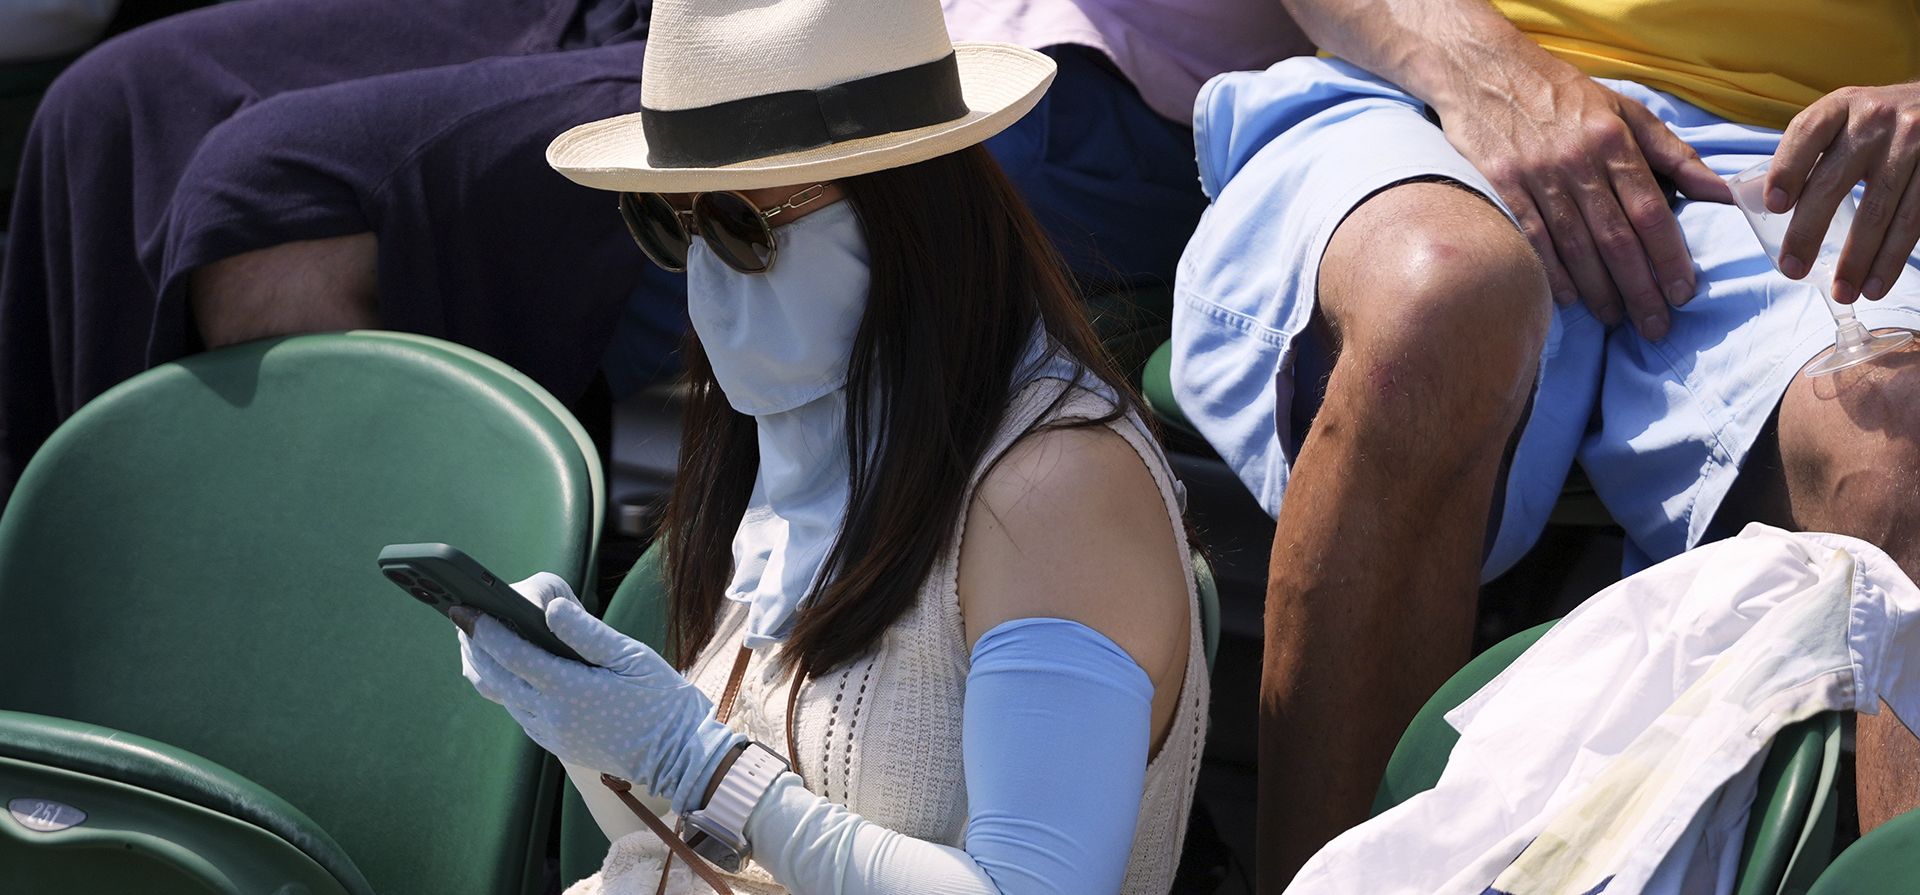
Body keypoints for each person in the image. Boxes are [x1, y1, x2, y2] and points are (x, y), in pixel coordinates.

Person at [454, 1, 1209, 893]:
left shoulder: (1056, 485)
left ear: (906, 207)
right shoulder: (812, 434)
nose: (704, 278)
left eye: (739, 225)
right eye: (672, 226)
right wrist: (592, 727)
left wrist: (698, 762)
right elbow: (691, 853)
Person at [1168, 0, 1920, 887]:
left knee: (1899, 445)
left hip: (1808, 159)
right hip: (1423, 92)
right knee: (1433, 308)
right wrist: (1481, 69)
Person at [0, 0, 1305, 510]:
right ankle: (97, 689)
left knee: (273, 203)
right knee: (106, 108)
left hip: (1006, 55)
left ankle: (369, 735)